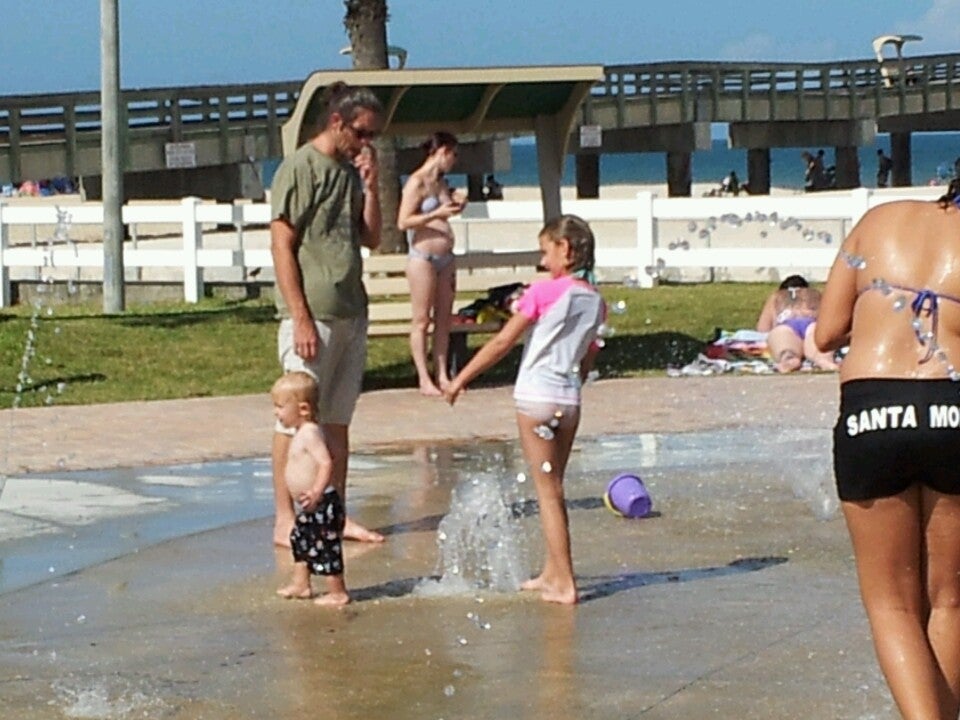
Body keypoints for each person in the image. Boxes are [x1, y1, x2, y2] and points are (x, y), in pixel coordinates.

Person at [814, 179, 960, 720]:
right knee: (949, 600)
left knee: (891, 603)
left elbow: (827, 332)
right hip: (955, 409)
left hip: (872, 412)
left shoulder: (879, 220)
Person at [444, 214, 606, 605]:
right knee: (555, 486)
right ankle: (552, 569)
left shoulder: (543, 291)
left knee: (547, 494)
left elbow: (502, 342)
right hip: (568, 401)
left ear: (564, 250)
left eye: (546, 250)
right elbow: (589, 354)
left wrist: (460, 378)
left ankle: (564, 581)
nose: (543, 259)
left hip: (536, 399)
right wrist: (577, 380)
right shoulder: (597, 301)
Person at [269, 81, 385, 548]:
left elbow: (371, 237)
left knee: (337, 421)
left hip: (351, 308)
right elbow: (282, 242)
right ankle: (283, 517)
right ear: (337, 122)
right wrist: (298, 316)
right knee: (295, 420)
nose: (365, 143)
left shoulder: (351, 172)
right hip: (312, 311)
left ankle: (334, 512)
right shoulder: (300, 168)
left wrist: (372, 186)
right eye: (361, 133)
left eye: (372, 136)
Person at [397, 132, 467, 396]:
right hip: (423, 258)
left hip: (445, 257)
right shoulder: (417, 182)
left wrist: (457, 205)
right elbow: (403, 221)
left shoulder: (441, 183)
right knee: (422, 319)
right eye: (454, 154)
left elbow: (446, 213)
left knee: (444, 319)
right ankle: (424, 377)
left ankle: (442, 373)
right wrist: (435, 213)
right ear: (442, 151)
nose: (454, 161)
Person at [271, 372, 349, 607]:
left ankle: (338, 592)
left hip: (322, 502)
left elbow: (326, 462)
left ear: (303, 409)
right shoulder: (306, 432)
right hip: (311, 504)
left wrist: (316, 490)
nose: (277, 412)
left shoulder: (310, 434)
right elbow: (336, 451)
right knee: (301, 539)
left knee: (326, 545)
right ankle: (301, 584)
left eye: (281, 406)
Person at [756, 275, 839, 373]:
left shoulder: (776, 296)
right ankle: (823, 360)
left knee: (786, 349)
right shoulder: (815, 295)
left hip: (787, 325)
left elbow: (762, 329)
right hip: (812, 323)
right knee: (820, 348)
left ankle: (789, 359)